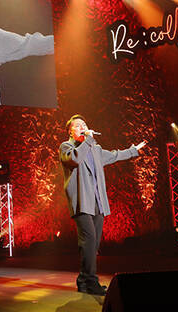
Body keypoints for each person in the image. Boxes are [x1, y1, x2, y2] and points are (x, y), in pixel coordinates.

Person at [59, 114, 146, 295]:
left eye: (84, 124)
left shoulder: (95, 149)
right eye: (78, 125)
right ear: (70, 131)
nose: (82, 127)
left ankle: (83, 280)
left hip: (97, 202)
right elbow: (75, 159)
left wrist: (133, 150)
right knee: (89, 240)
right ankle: (91, 282)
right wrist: (88, 140)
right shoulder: (66, 147)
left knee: (93, 243)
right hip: (82, 201)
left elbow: (114, 155)